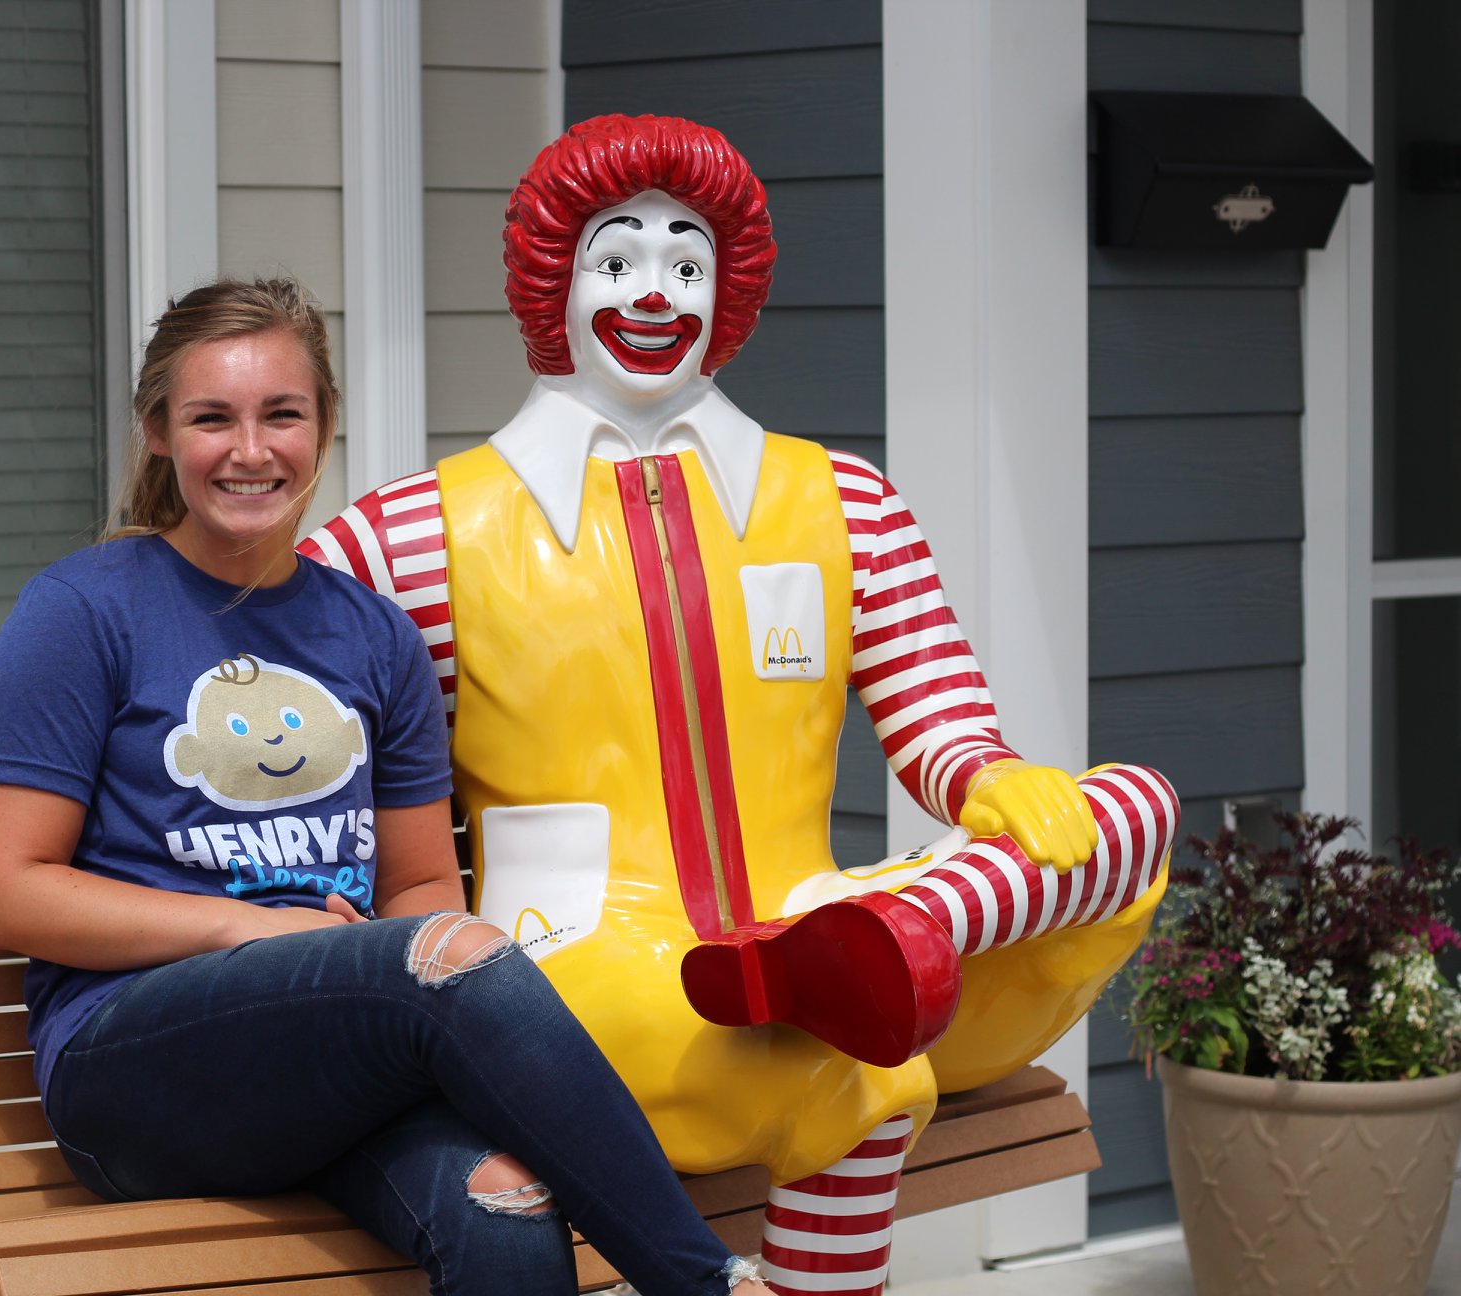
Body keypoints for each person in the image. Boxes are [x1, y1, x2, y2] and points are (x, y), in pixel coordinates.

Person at [296, 115, 1179, 1294]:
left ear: (730, 294)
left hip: (832, 932)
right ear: (553, 282)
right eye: (619, 260)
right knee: (853, 1069)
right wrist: (9, 681)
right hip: (582, 974)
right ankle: (821, 992)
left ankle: (888, 940)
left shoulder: (845, 501)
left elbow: (939, 716)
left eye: (688, 263)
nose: (655, 292)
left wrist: (987, 780)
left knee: (1133, 811)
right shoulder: (420, 534)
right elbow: (234, 669)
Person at [0, 278, 771, 1296]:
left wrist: (360, 955)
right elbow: (5, 892)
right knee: (451, 957)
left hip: (334, 1068)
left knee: (503, 1200)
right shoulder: (84, 611)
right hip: (137, 1073)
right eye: (213, 418)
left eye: (282, 414)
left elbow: (421, 889)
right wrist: (249, 930)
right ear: (160, 432)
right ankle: (704, 1282)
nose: (251, 450)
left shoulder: (374, 635)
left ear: (324, 426)